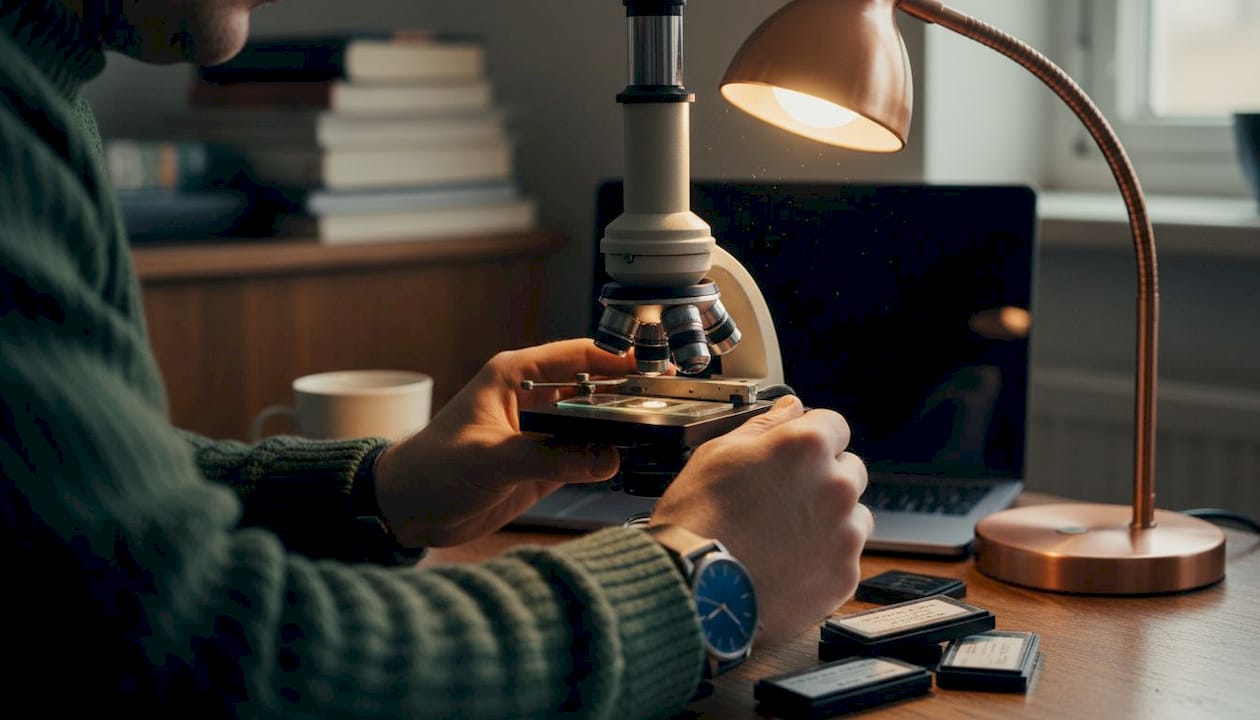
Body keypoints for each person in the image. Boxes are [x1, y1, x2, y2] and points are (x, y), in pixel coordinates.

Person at [0, 0, 874, 716]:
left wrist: (381, 492)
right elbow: (205, 652)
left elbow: (61, 538)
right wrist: (700, 580)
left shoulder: (44, 83)